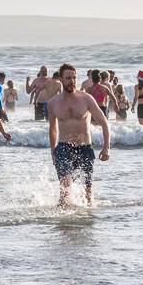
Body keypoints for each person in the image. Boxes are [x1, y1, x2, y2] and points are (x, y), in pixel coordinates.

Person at [47, 64, 111, 206]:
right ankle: (61, 221)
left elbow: (104, 123)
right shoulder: (53, 103)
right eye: (68, 78)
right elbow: (52, 129)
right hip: (63, 148)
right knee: (65, 187)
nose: (72, 81)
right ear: (61, 80)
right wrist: (53, 151)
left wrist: (106, 147)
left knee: (87, 192)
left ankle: (87, 219)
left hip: (84, 148)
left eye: (74, 78)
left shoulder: (86, 99)